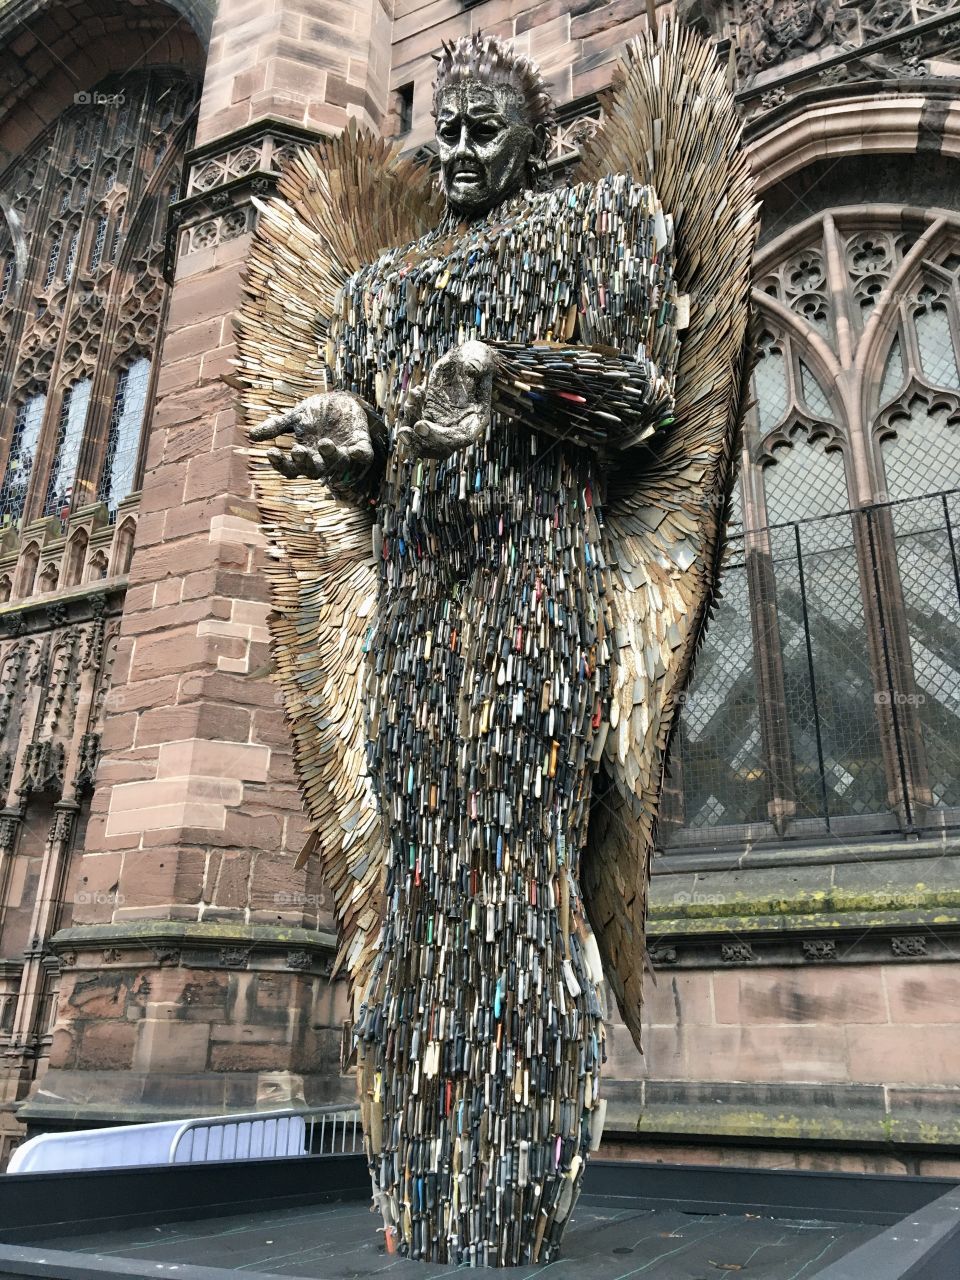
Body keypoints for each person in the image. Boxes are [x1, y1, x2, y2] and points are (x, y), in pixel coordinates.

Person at [243, 23, 757, 1268]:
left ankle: (515, 1182)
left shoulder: (598, 228)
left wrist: (511, 374)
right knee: (420, 876)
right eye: (449, 131)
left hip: (537, 596)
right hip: (418, 615)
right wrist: (348, 432)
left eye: (488, 130)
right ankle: (422, 1179)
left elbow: (644, 396)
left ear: (536, 141)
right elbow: (373, 467)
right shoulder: (377, 293)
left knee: (521, 872)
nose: (462, 150)